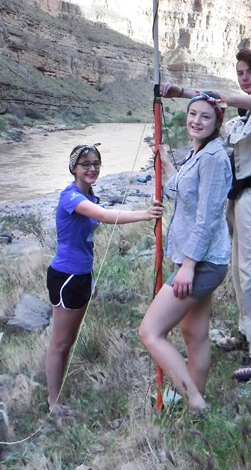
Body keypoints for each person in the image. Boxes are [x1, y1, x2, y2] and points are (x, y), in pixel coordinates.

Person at [161, 48, 251, 382]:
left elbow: (215, 99)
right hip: (242, 197)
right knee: (240, 268)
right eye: (239, 72)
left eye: (250, 71)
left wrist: (180, 91)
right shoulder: (240, 122)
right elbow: (215, 124)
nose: (244, 77)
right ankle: (246, 332)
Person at [46, 144, 163, 413]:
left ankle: (57, 393)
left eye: (96, 163)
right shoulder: (71, 197)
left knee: (68, 342)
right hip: (66, 276)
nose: (92, 168)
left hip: (82, 275)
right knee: (60, 342)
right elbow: (102, 216)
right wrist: (145, 214)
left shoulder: (90, 196)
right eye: (85, 164)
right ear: (73, 168)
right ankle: (53, 402)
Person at [138, 93, 232, 413]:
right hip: (197, 259)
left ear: (217, 122)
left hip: (202, 262)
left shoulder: (214, 158)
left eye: (205, 116)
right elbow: (180, 191)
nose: (196, 121)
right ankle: (196, 401)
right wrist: (164, 161)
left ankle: (193, 398)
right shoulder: (198, 153)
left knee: (150, 331)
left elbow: (207, 218)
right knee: (195, 333)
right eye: (192, 114)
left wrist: (188, 266)